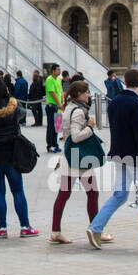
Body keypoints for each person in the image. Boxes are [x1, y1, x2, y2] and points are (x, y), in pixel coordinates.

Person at [87, 68, 138, 250]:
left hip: (119, 154)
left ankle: (95, 227)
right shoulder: (137, 104)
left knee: (120, 194)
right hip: (136, 157)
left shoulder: (115, 102)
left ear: (124, 81)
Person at [0, 78, 38, 239]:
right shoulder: (13, 107)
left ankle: (2, 228)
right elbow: (22, 114)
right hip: (12, 155)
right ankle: (25, 226)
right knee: (18, 191)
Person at [51, 79, 106, 244]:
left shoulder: (68, 108)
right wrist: (90, 127)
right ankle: (95, 230)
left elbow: (64, 132)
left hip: (69, 156)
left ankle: (55, 231)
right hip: (79, 158)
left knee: (64, 193)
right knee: (93, 193)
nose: (88, 95)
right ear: (77, 94)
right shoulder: (78, 112)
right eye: (86, 92)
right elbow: (76, 137)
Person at [44, 64, 63, 152]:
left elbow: (61, 92)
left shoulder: (58, 80)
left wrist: (63, 102)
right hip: (52, 106)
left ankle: (55, 144)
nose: (59, 71)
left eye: (60, 69)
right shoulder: (49, 79)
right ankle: (49, 145)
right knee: (51, 126)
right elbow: (52, 92)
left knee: (57, 127)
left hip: (58, 106)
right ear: (53, 71)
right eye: (58, 70)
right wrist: (59, 103)